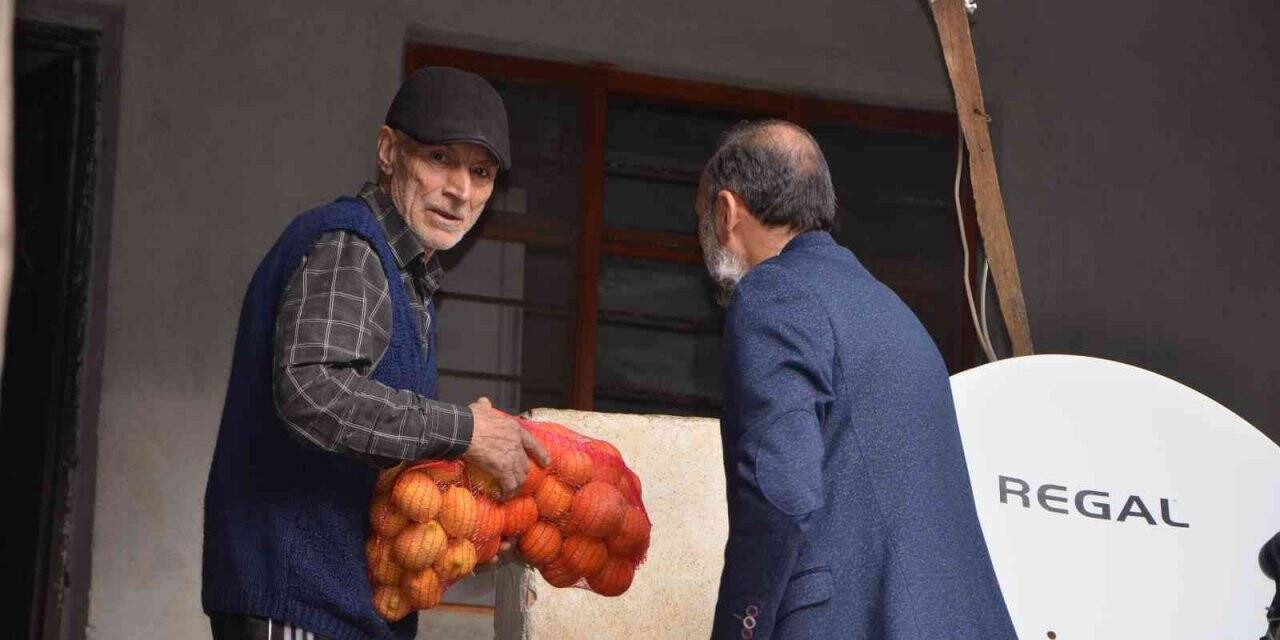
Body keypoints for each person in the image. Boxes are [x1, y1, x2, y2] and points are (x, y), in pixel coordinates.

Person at [202, 66, 549, 640]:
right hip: (300, 602)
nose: (461, 190)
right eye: (440, 158)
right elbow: (315, 392)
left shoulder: (405, 274)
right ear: (389, 151)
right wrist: (466, 430)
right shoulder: (351, 246)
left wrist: (462, 522)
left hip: (342, 608)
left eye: (481, 172)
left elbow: (372, 446)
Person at [696, 119, 1017, 639]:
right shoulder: (887, 308)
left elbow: (781, 493)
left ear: (727, 211)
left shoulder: (772, 294)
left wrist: (740, 629)